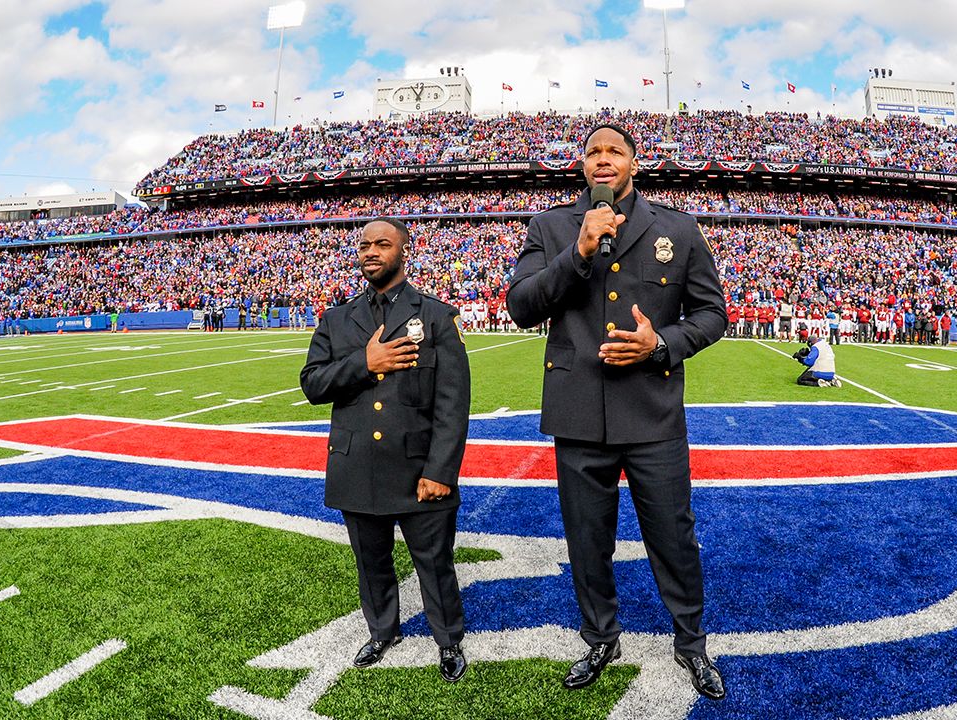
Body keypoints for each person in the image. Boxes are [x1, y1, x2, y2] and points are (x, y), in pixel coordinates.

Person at [506, 124, 728, 701]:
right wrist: (577, 252)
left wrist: (660, 346)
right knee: (587, 538)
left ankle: (691, 641)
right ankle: (600, 637)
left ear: (635, 162)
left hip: (651, 412)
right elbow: (521, 306)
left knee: (673, 534)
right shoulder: (550, 226)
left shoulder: (676, 228)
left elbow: (711, 315)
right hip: (578, 411)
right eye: (593, 152)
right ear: (581, 164)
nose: (603, 160)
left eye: (615, 152)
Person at [299, 217, 471, 683]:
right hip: (359, 466)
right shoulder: (336, 320)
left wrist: (440, 470)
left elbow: (453, 405)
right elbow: (312, 384)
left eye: (382, 244)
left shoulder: (435, 316)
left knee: (435, 563)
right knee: (370, 562)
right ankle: (382, 631)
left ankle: (449, 639)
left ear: (403, 251)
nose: (371, 252)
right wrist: (364, 362)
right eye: (364, 245)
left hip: (419, 468)